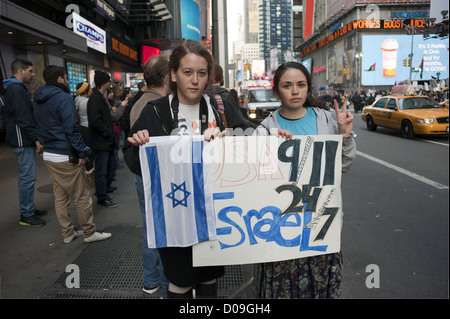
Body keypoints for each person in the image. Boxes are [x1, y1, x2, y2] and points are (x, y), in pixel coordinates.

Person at [124, 40, 248, 298]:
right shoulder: (156, 112)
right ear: (173, 74)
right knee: (180, 281)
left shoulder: (219, 108)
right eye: (187, 72)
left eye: (201, 73)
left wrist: (242, 136)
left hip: (213, 213)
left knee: (210, 278)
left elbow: (249, 137)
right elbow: (136, 164)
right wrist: (139, 145)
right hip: (175, 214)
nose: (195, 80)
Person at [254, 62, 356, 299]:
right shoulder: (265, 128)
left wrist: (345, 135)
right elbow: (254, 180)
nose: (295, 91)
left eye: (300, 84)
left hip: (321, 226)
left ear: (308, 88)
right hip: (280, 230)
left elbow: (344, 166)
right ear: (276, 91)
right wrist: (268, 147)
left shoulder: (328, 121)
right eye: (287, 85)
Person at [33, 65, 111, 243]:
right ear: (60, 79)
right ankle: (89, 232)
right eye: (66, 77)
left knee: (60, 196)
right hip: (66, 154)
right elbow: (71, 129)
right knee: (82, 196)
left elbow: (38, 124)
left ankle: (67, 233)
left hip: (49, 155)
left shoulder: (38, 99)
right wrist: (82, 152)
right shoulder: (64, 98)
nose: (67, 80)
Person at [129, 55, 171, 298]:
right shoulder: (158, 106)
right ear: (167, 77)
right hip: (156, 176)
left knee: (150, 229)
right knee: (164, 231)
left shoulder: (138, 101)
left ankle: (151, 280)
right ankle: (165, 284)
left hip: (141, 175)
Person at [2, 59, 46, 227]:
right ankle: (26, 214)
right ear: (20, 71)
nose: (33, 74)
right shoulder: (16, 90)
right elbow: (23, 117)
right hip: (22, 140)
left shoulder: (15, 88)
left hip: (21, 139)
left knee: (27, 177)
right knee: (27, 177)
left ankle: (29, 209)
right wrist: (36, 139)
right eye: (30, 71)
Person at [87, 70, 120, 207]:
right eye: (108, 81)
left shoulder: (100, 97)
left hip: (106, 141)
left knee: (111, 167)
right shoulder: (95, 99)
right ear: (103, 83)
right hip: (101, 142)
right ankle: (101, 196)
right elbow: (96, 121)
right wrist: (107, 133)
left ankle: (103, 191)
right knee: (102, 170)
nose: (110, 83)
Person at [75, 82, 94, 171]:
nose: (91, 90)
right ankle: (89, 172)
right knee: (90, 151)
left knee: (86, 148)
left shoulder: (77, 99)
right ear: (85, 92)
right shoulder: (86, 102)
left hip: (82, 127)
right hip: (88, 128)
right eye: (89, 88)